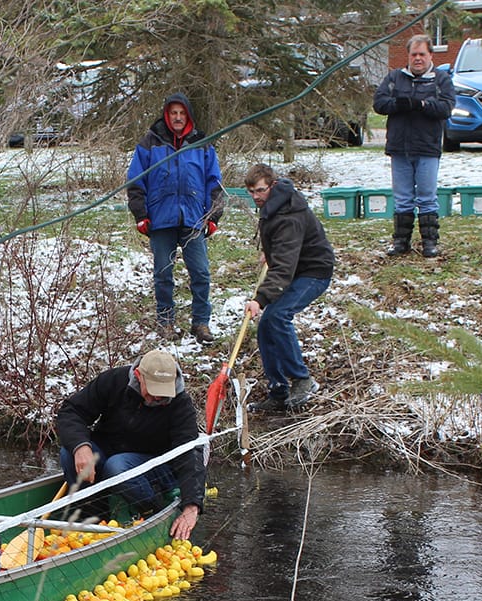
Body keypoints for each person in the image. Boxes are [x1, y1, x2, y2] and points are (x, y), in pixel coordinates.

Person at [55, 350, 205, 541]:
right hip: (110, 453)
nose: (157, 399)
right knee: (69, 454)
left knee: (118, 466)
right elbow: (72, 412)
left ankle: (152, 513)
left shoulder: (180, 403)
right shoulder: (113, 381)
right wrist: (80, 446)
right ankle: (93, 517)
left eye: (163, 393)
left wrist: (192, 505)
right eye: (152, 391)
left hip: (154, 468)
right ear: (138, 376)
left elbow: (189, 452)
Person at [126, 93, 224, 345]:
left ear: (188, 115)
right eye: (173, 113)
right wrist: (141, 214)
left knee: (200, 272)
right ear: (166, 115)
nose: (178, 118)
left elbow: (214, 182)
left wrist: (212, 216)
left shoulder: (202, 143)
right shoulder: (150, 142)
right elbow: (136, 180)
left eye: (182, 113)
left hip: (194, 219)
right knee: (163, 274)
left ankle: (201, 322)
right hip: (160, 219)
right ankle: (166, 322)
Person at [243, 162, 334, 415]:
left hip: (313, 272)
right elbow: (283, 250)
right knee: (266, 325)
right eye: (251, 192)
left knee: (277, 316)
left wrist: (260, 299)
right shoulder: (275, 204)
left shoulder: (289, 215)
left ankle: (302, 379)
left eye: (260, 191)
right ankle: (278, 390)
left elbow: (284, 266)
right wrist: (269, 252)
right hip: (295, 267)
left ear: (272, 185)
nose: (256, 197)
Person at [372, 34, 456, 258]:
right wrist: (399, 104)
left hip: (427, 147)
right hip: (400, 147)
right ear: (408, 56)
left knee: (427, 196)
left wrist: (421, 105)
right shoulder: (395, 78)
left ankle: (430, 242)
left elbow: (446, 108)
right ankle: (401, 242)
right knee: (402, 198)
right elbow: (379, 103)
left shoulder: (441, 80)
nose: (417, 59)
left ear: (430, 55)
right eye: (414, 54)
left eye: (422, 54)